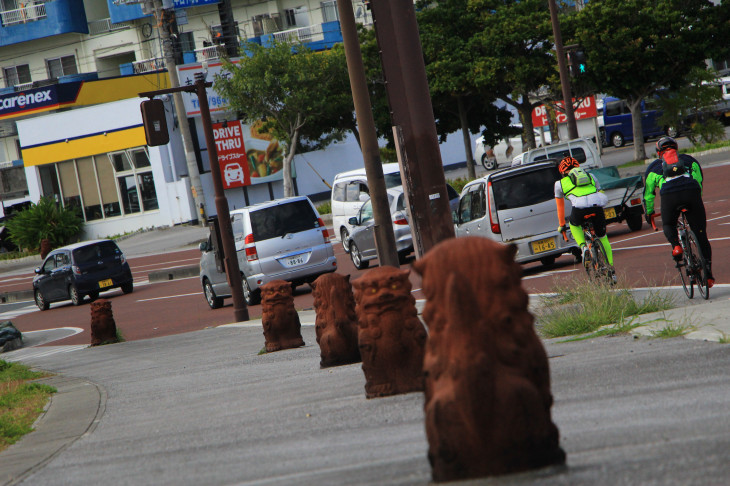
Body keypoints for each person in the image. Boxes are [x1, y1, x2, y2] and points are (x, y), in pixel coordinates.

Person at [644, 136, 714, 287]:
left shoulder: (653, 168)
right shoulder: (690, 160)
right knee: (701, 235)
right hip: (691, 193)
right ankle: (708, 276)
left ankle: (676, 246)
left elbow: (649, 195)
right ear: (676, 149)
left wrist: (649, 212)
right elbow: (698, 181)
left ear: (658, 153)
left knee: (668, 224)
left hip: (669, 197)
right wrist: (696, 200)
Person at [554, 156, 615, 276]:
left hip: (579, 210)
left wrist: (562, 226)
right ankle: (611, 269)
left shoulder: (559, 184)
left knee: (573, 224)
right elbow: (599, 193)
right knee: (603, 237)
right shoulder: (591, 176)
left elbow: (560, 207)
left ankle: (583, 248)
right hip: (596, 208)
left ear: (562, 172)